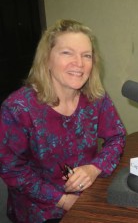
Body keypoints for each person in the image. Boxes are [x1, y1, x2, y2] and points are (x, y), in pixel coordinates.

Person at [0, 19, 126, 223]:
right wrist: (62, 200)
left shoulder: (96, 98)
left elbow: (117, 137)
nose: (79, 63)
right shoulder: (17, 108)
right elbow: (11, 169)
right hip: (40, 210)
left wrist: (93, 168)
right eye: (67, 52)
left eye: (86, 55)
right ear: (47, 60)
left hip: (88, 196)